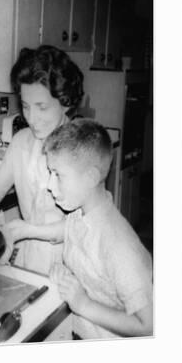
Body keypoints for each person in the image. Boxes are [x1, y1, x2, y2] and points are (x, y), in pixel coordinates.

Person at [0, 45, 84, 273]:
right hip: (29, 258)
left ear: (65, 101)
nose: (32, 118)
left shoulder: (81, 148)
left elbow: (84, 226)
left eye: (41, 107)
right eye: (25, 107)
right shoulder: (21, 142)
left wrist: (27, 230)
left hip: (72, 262)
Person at [44, 119, 153, 339]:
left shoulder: (119, 246)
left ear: (91, 177)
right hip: (79, 333)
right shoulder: (77, 215)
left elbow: (148, 325)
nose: (49, 185)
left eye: (58, 175)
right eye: (50, 173)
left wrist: (84, 304)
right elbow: (92, 273)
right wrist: (68, 277)